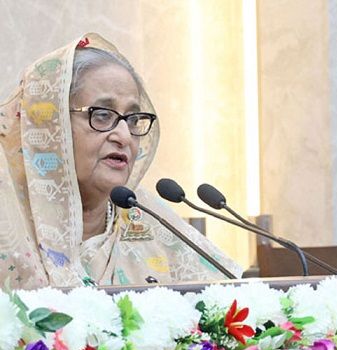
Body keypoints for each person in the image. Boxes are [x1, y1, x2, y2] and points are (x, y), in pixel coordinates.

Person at [0, 34, 243, 288]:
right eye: (103, 115)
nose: (125, 136)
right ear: (52, 124)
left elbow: (236, 299)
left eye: (134, 119)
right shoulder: (8, 219)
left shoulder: (149, 217)